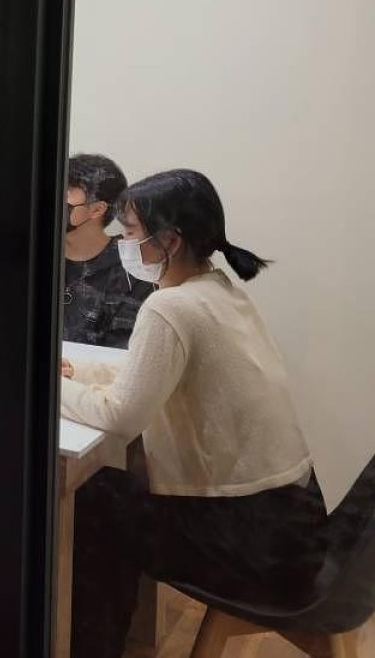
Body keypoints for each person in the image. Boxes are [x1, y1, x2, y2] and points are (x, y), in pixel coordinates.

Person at [60, 169, 325, 658]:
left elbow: (120, 416)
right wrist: (78, 372)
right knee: (111, 492)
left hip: (249, 542)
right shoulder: (221, 290)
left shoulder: (170, 308)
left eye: (131, 233)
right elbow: (147, 374)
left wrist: (48, 385)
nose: (123, 244)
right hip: (296, 518)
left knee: (91, 500)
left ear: (170, 241)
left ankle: (88, 646)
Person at [62, 154, 152, 348]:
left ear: (97, 209)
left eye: (66, 191)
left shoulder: (131, 272)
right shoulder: (32, 255)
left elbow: (120, 352)